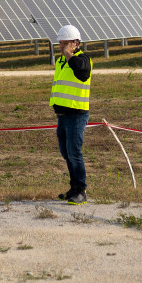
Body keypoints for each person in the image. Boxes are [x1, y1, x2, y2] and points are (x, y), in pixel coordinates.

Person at [50, 24, 91, 205]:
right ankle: (73, 189)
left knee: (74, 153)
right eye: (60, 43)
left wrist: (69, 54)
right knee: (66, 153)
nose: (61, 47)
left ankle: (81, 191)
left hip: (76, 115)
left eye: (65, 43)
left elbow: (82, 74)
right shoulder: (61, 62)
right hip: (62, 116)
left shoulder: (83, 59)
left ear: (75, 43)